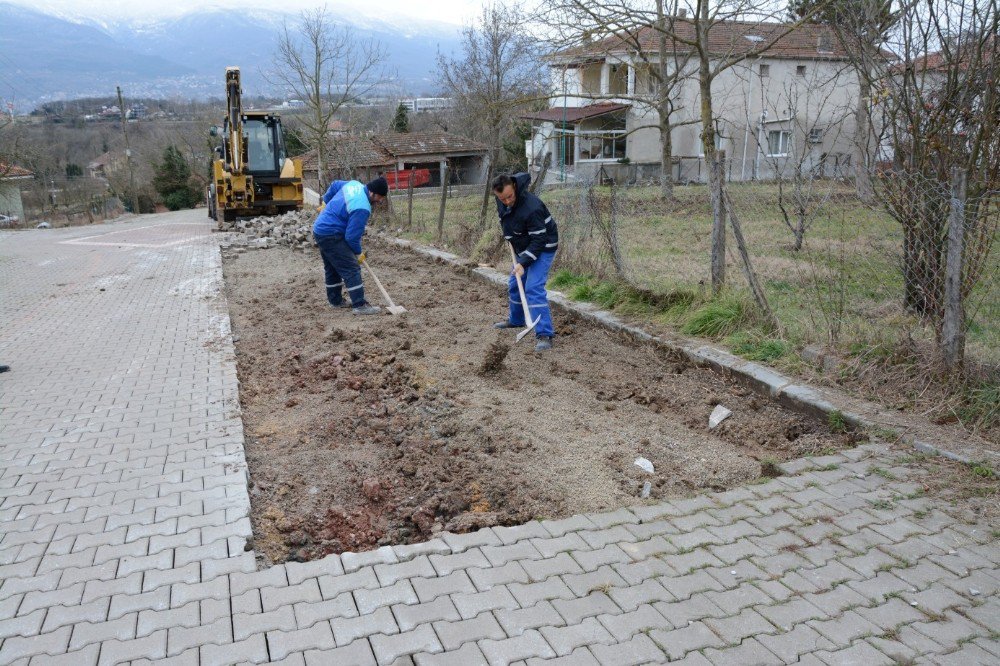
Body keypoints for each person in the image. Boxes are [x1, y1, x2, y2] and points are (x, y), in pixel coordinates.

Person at [491, 173, 559, 351]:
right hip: (523, 245)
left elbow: (539, 240)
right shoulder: (503, 200)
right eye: (502, 198)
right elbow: (507, 218)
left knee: (533, 287)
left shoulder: (532, 207)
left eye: (509, 196)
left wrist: (523, 263)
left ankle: (544, 333)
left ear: (514, 186)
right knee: (515, 284)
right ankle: (517, 320)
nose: (506, 201)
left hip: (543, 246)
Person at [312, 176, 389, 315]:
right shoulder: (362, 207)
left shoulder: (354, 185)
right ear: (373, 193)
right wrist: (358, 253)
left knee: (332, 267)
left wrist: (326, 202)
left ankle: (335, 301)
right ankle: (359, 305)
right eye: (380, 197)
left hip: (320, 229)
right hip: (331, 233)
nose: (380, 200)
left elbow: (335, 185)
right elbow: (352, 237)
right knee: (352, 268)